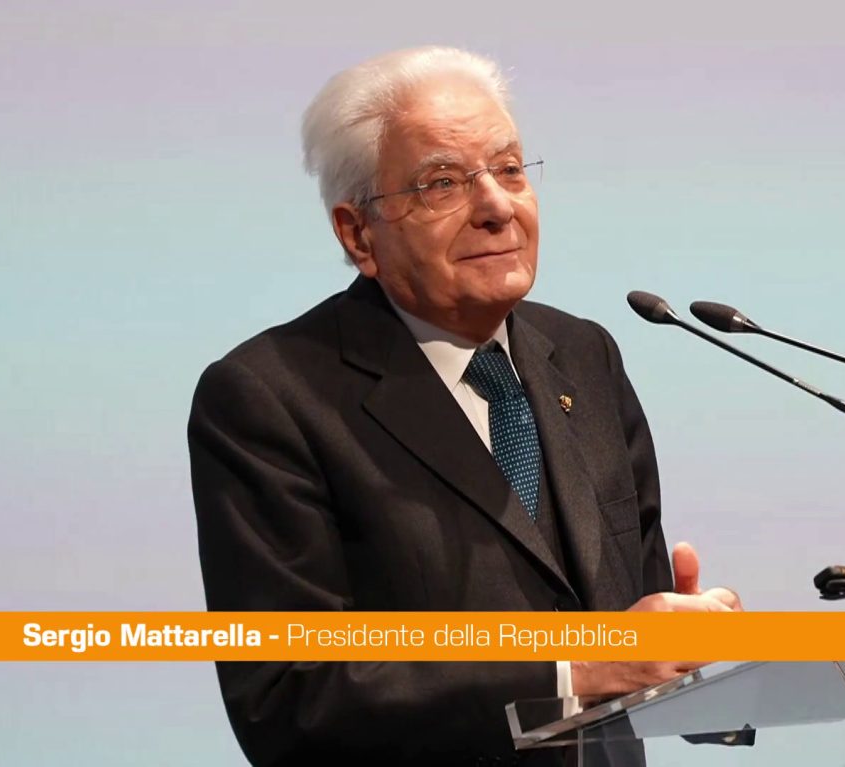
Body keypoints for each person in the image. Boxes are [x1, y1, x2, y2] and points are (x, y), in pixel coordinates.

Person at [187, 46, 741, 765]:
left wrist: (688, 650)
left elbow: (631, 638)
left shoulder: (584, 356)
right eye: (443, 183)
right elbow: (291, 696)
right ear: (358, 233)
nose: (497, 208)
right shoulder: (270, 397)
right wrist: (571, 669)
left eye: (510, 170)